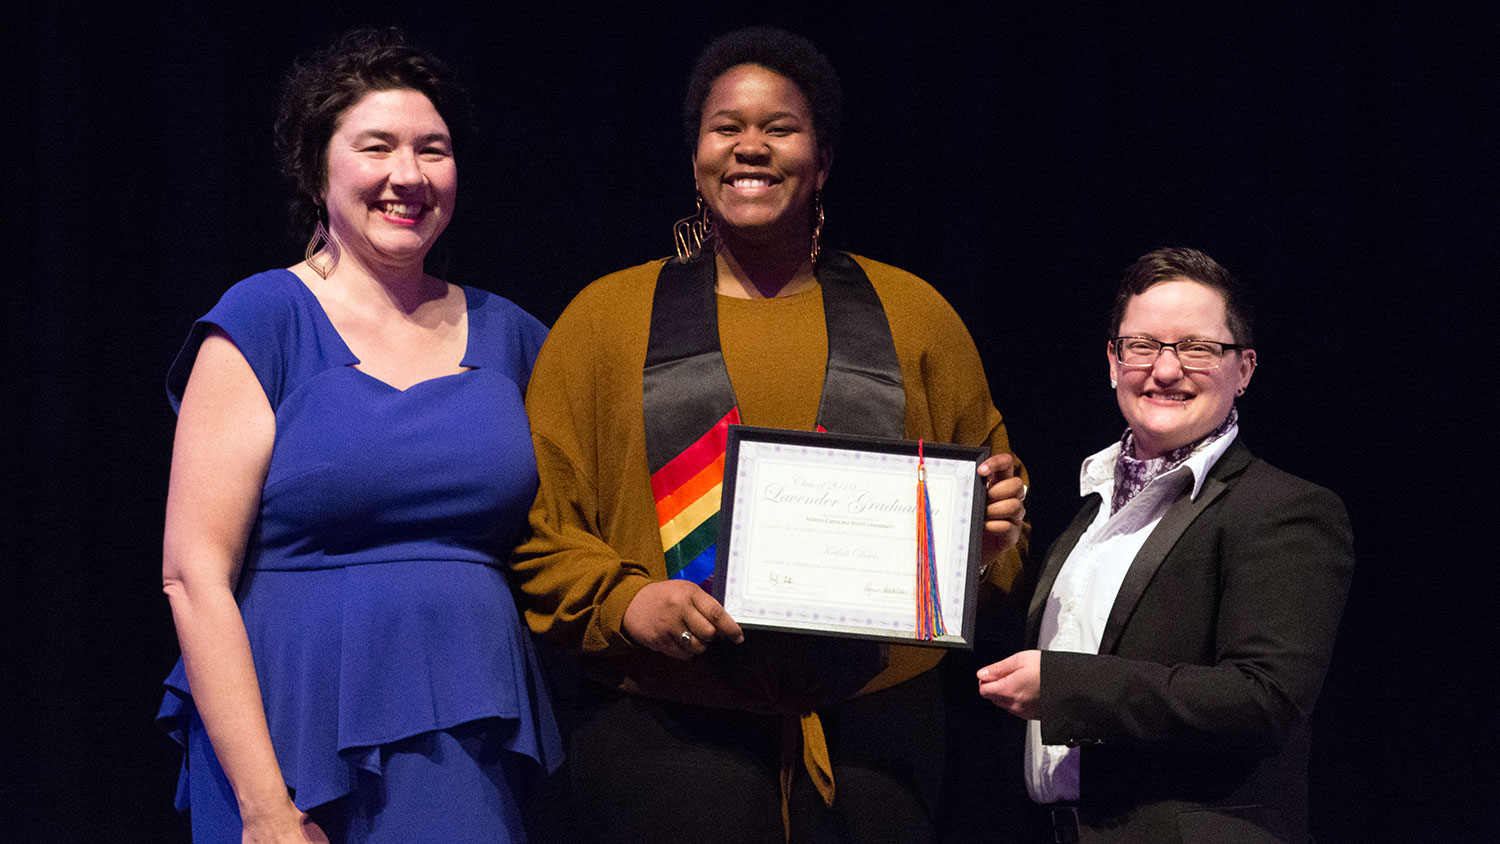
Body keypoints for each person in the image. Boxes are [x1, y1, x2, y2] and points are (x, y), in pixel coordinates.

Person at [512, 26, 1027, 844]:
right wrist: (625, 600)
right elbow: (538, 529)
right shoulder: (606, 321)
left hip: (875, 744)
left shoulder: (914, 315)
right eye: (726, 128)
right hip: (666, 742)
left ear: (822, 162)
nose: (751, 147)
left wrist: (988, 541)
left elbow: (996, 524)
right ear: (694, 159)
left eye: (780, 128)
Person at [156, 28, 560, 843]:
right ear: (318, 170)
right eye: (376, 147)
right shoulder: (263, 320)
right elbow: (193, 575)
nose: (406, 176)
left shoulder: (514, 336)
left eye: (432, 150)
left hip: (469, 729)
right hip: (286, 727)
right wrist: (266, 807)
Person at [977, 247, 1353, 843]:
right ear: (1112, 360)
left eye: (1198, 348)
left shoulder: (1285, 509)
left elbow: (1264, 699)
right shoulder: (1086, 513)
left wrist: (1067, 688)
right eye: (1143, 345)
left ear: (1245, 369)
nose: (1166, 370)